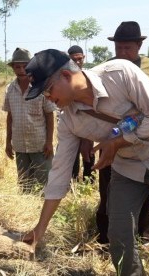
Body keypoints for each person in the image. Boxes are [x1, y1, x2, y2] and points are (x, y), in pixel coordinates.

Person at [22, 49, 149, 276]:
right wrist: (40, 229)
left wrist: (118, 142)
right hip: (127, 168)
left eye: (48, 90)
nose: (48, 99)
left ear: (66, 75)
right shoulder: (69, 120)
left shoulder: (119, 73)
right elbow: (60, 173)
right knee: (119, 236)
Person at [95, 21, 149, 244]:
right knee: (108, 186)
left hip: (146, 139)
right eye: (119, 48)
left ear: (139, 46)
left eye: (128, 48)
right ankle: (106, 238)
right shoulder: (107, 69)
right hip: (114, 139)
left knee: (144, 186)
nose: (122, 53)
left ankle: (144, 236)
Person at [2, 48, 56, 192]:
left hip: (40, 144)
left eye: (25, 66)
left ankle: (45, 211)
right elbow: (10, 116)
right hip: (20, 145)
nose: (21, 70)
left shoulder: (41, 87)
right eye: (17, 66)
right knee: (25, 184)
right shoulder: (10, 89)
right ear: (13, 68)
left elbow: (50, 115)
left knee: (45, 183)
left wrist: (50, 141)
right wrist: (8, 142)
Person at [67, 45, 95, 184]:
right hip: (71, 124)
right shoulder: (65, 78)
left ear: (84, 58)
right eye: (74, 60)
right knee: (71, 155)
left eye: (80, 59)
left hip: (89, 124)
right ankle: (72, 182)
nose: (78, 62)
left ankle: (89, 181)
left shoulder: (89, 77)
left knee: (89, 154)